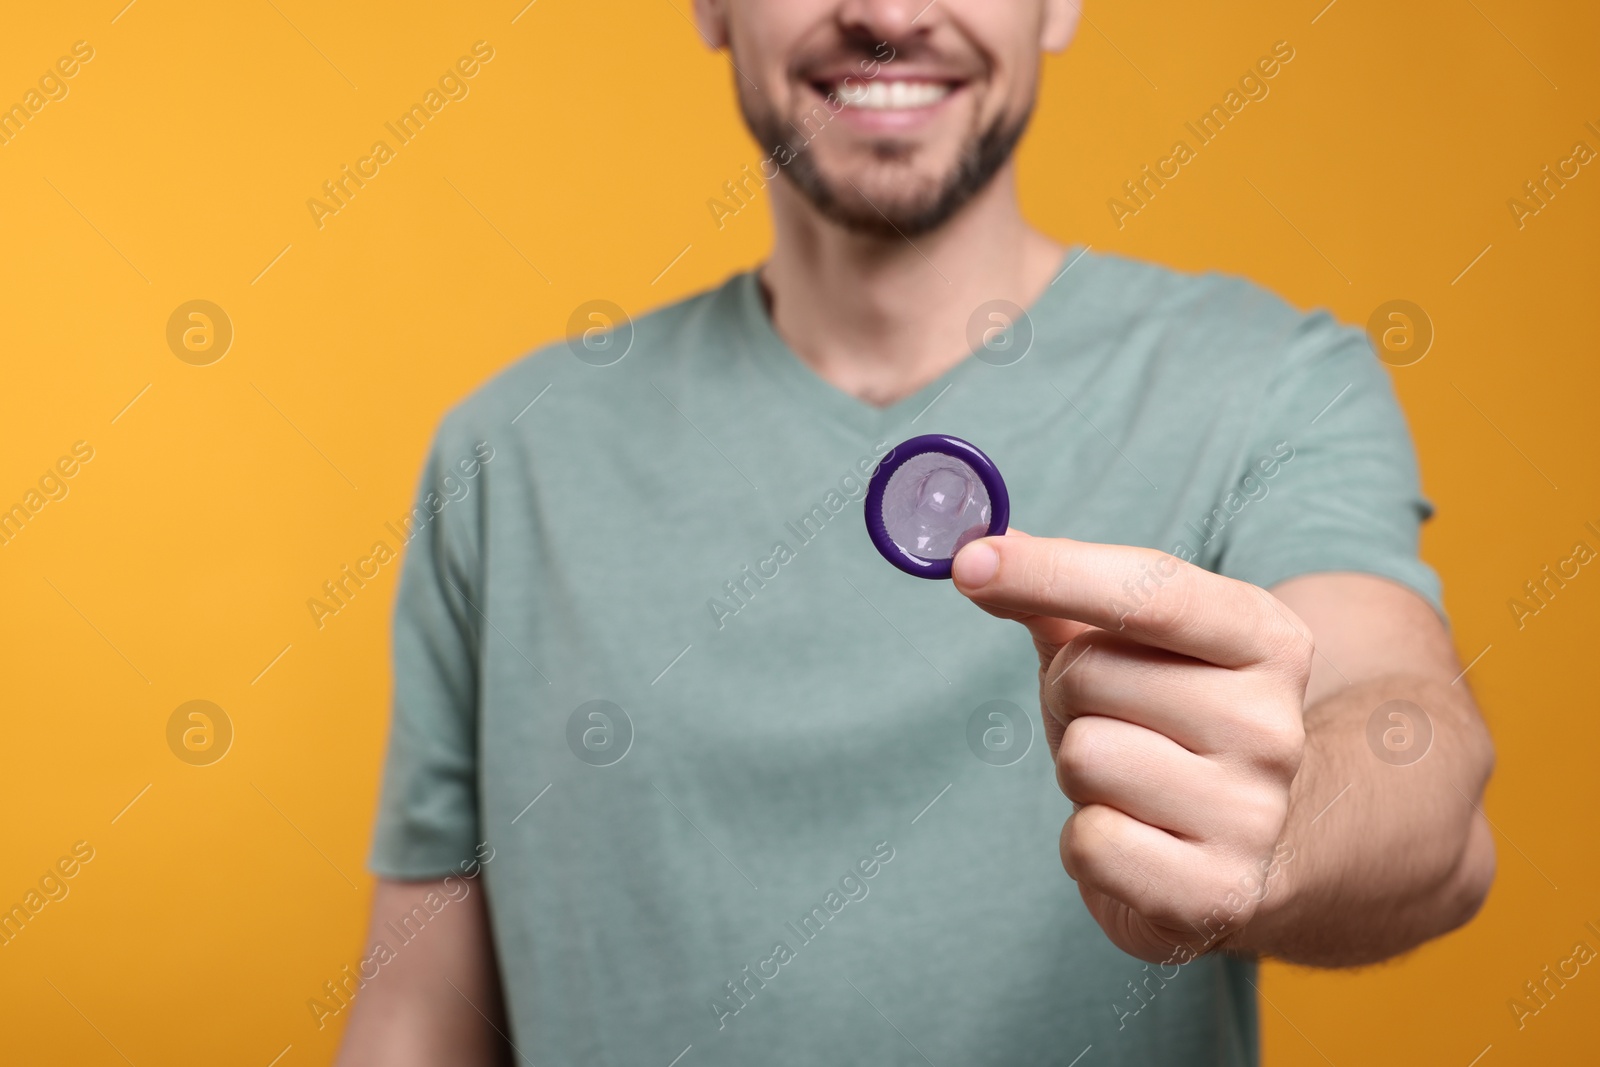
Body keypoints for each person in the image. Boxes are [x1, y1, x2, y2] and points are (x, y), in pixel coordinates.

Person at [336, 2, 1495, 1063]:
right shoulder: (509, 454)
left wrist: (1278, 833)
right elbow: (420, 1011)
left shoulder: (1273, 384)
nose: (887, 14)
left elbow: (1423, 773)